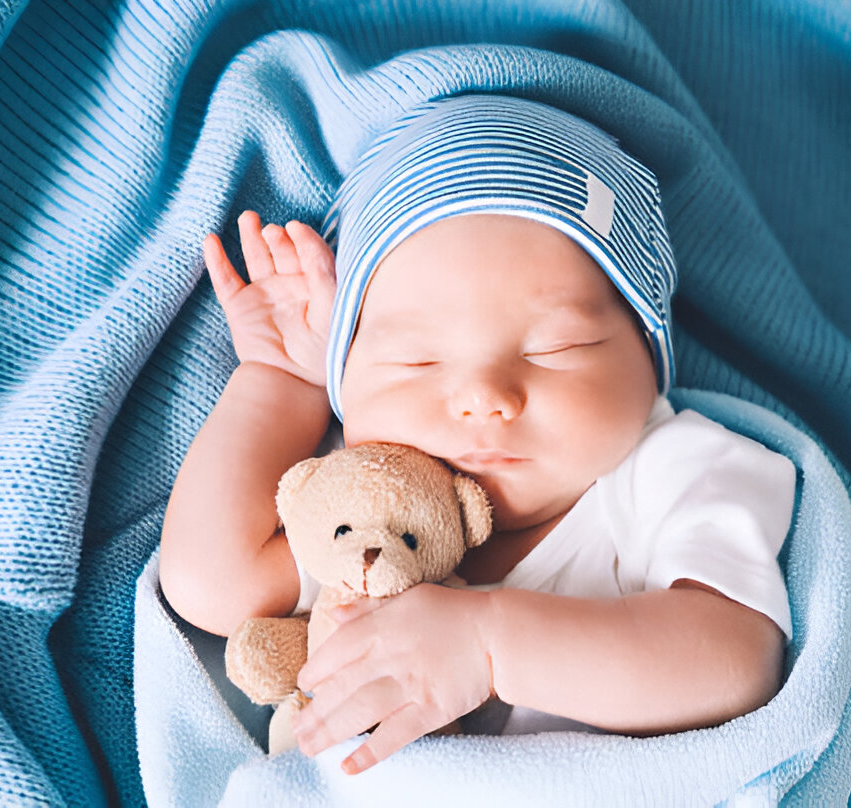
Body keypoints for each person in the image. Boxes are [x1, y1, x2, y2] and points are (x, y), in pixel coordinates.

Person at [159, 94, 796, 776]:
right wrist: (282, 382)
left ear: (649, 359)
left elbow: (737, 658)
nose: (485, 399)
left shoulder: (670, 471)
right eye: (416, 360)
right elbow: (210, 584)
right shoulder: (368, 514)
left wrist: (492, 645)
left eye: (559, 347)